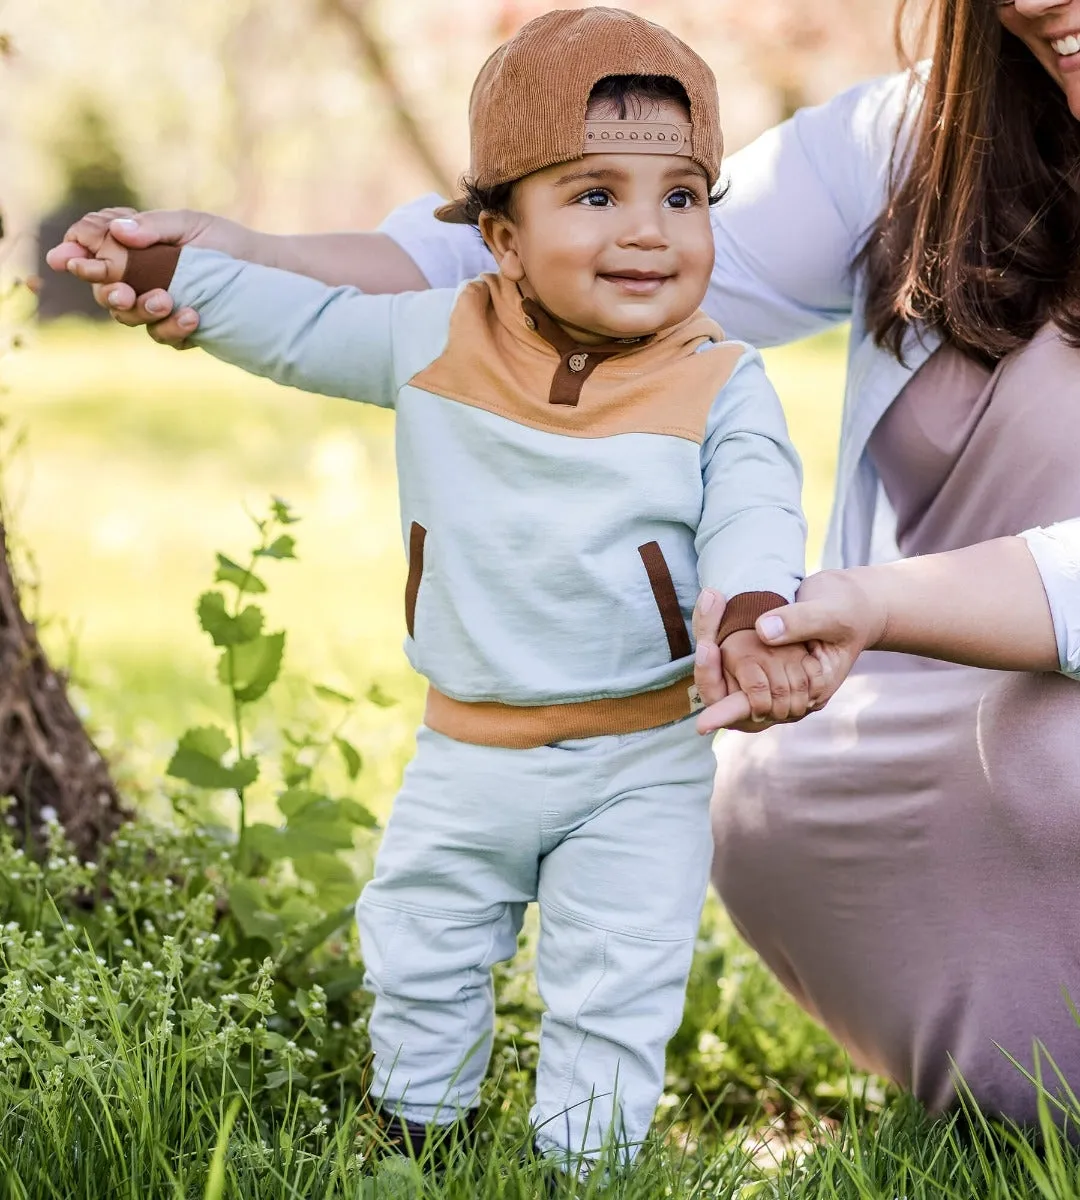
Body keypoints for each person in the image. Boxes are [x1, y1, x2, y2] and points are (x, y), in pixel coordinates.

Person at [48, 0, 1080, 1125]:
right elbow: (365, 308)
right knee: (425, 933)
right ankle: (418, 1128)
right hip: (525, 738)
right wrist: (217, 264)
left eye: (680, 200)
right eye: (599, 197)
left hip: (706, 741)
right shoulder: (923, 139)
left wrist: (769, 613)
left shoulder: (716, 388)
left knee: (618, 967)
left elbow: (750, 520)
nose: (648, 230)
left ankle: (587, 1159)